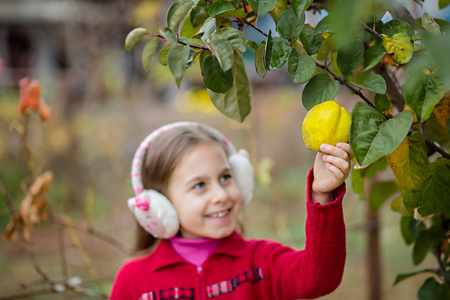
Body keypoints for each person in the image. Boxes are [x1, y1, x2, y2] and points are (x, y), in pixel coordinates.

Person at [110, 121, 353, 300]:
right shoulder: (133, 281)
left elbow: (319, 278)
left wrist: (322, 195)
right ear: (159, 205)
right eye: (199, 185)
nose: (221, 195)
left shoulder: (261, 263)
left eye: (226, 177)